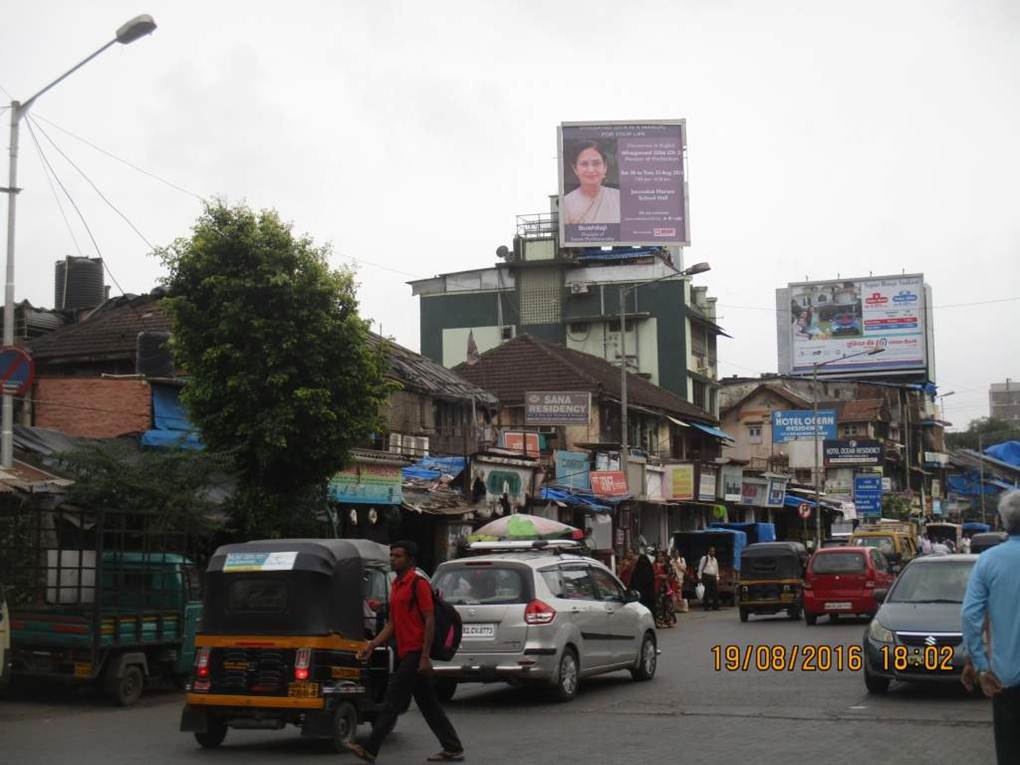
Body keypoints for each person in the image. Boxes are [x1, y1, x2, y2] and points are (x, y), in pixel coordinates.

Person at [347, 541, 463, 764]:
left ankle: (370, 749)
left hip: (416, 652)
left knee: (393, 699)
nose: (393, 559)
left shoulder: (417, 584)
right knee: (428, 704)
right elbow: (392, 624)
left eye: (398, 556)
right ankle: (452, 747)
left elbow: (429, 620)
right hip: (405, 651)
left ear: (410, 560)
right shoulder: (397, 585)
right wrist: (371, 646)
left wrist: (425, 656)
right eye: (391, 555)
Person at [961, 490, 1020, 764]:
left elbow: (971, 617)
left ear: (1001, 521)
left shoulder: (989, 560)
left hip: (1005, 680)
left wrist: (980, 664)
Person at [562, 141, 621, 225]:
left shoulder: (618, 198)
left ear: (605, 166)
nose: (591, 170)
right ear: (575, 168)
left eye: (596, 163)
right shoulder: (566, 203)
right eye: (584, 164)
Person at [698, 546, 721, 611]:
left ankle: (715, 606)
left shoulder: (715, 560)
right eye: (711, 551)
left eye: (713, 551)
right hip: (706, 576)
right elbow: (700, 568)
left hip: (713, 576)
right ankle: (706, 606)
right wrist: (699, 577)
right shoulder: (704, 558)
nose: (712, 552)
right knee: (707, 592)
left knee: (715, 592)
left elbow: (717, 569)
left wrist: (717, 578)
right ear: (709, 551)